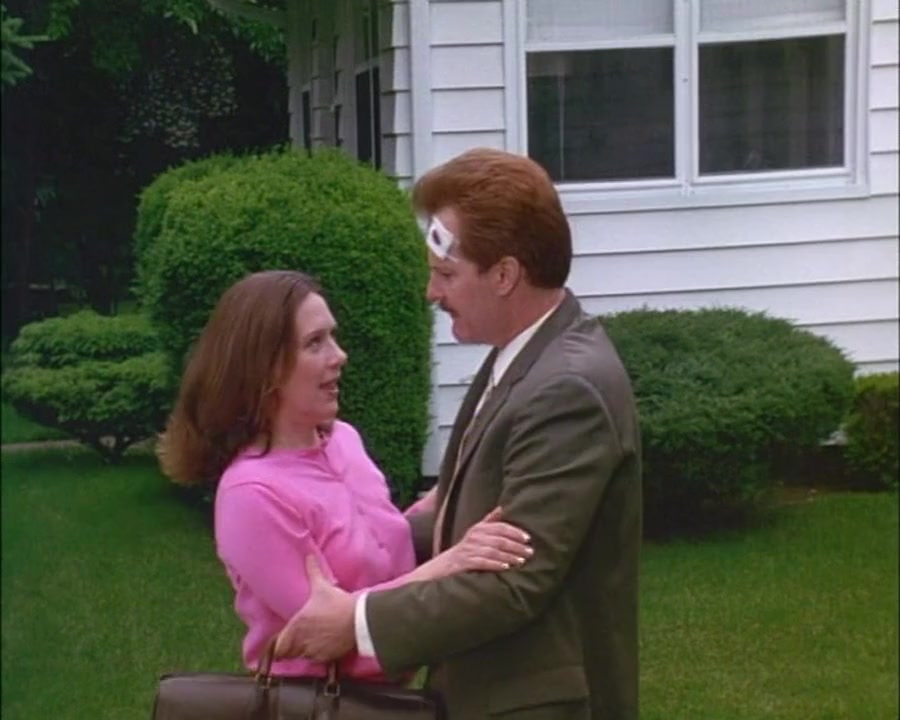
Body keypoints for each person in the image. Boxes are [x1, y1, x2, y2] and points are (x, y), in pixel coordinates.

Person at [274, 149, 643, 719]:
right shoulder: (524, 358)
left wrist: (357, 622)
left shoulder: (567, 390)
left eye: (446, 274)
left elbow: (513, 580)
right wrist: (353, 540)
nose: (431, 292)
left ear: (504, 275)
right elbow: (465, 520)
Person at [157, 269, 532, 679]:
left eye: (332, 337)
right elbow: (329, 631)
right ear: (265, 367)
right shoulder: (251, 494)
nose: (339, 356)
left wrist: (457, 487)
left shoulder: (343, 440)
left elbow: (377, 549)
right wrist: (451, 563)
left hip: (393, 698)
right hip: (320, 702)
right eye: (315, 343)